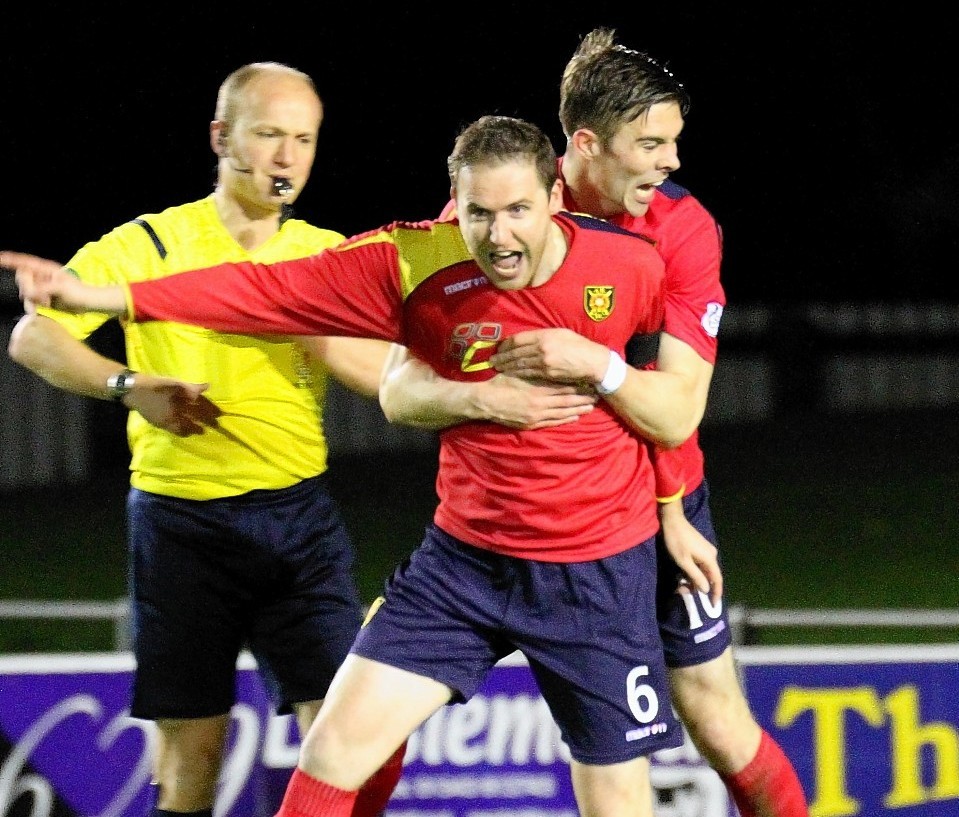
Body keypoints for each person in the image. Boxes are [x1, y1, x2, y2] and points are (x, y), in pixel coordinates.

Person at [7, 114, 717, 817]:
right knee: (333, 754)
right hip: (462, 567)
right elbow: (263, 290)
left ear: (553, 200)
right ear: (453, 205)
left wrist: (650, 466)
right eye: (478, 213)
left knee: (617, 796)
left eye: (517, 212)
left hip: (593, 573)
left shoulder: (630, 266)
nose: (498, 236)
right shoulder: (409, 262)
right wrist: (105, 297)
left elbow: (672, 409)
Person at [378, 28, 809, 817]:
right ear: (585, 146)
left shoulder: (680, 229)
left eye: (671, 142)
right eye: (651, 143)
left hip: (654, 498)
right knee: (370, 713)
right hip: (518, 531)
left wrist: (671, 509)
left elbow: (675, 401)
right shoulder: (492, 212)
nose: (670, 161)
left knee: (714, 717)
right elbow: (423, 368)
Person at [3, 62, 403, 817]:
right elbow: (34, 336)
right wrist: (129, 385)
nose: (288, 157)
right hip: (179, 523)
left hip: (297, 525)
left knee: (348, 744)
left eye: (305, 140)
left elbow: (382, 374)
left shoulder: (326, 253)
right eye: (269, 135)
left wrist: (308, 318)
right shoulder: (150, 242)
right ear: (221, 137)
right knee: (192, 757)